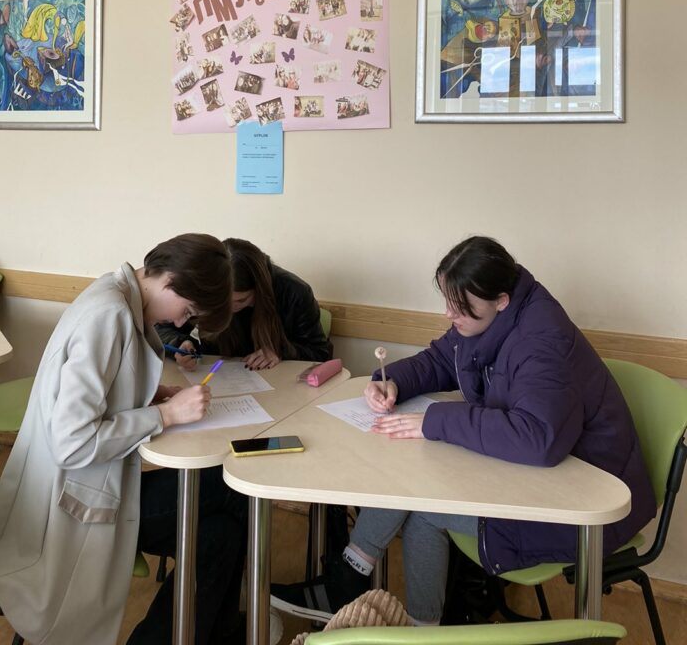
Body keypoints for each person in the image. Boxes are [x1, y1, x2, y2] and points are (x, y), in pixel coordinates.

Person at [270, 235, 656, 626]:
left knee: (424, 504)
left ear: (500, 300)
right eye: (448, 302)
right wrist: (392, 382)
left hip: (584, 499)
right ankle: (373, 592)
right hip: (537, 474)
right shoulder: (492, 315)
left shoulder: (541, 340)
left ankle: (374, 595)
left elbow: (538, 438)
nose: (448, 314)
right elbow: (443, 358)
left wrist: (435, 420)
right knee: (419, 484)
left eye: (459, 307)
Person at [0, 233, 245, 645]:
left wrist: (151, 394)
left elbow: (100, 389)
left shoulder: (115, 293)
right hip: (69, 503)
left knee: (221, 534)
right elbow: (73, 442)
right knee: (231, 492)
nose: (181, 323)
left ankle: (209, 633)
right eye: (188, 311)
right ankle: (220, 631)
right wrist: (166, 415)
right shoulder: (109, 315)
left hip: (87, 485)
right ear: (171, 280)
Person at [158, 237, 332, 371]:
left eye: (241, 300)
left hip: (278, 383)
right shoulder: (205, 289)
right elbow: (161, 329)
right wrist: (181, 344)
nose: (231, 309)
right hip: (219, 377)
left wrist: (280, 351)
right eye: (223, 302)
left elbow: (321, 353)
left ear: (259, 290)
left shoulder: (293, 291)